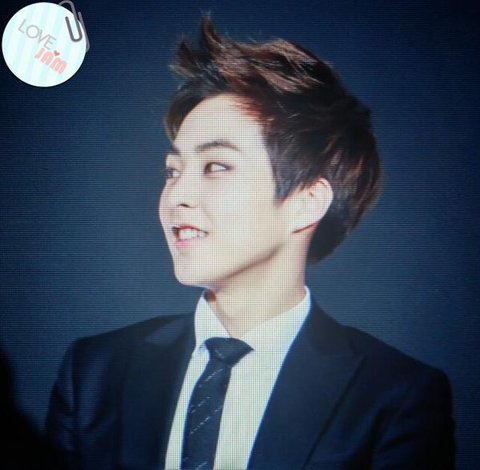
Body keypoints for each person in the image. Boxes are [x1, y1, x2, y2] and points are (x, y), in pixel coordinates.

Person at [46, 16, 455, 469]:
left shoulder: (393, 397)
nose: (177, 196)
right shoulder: (95, 373)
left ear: (306, 202)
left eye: (216, 167)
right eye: (173, 171)